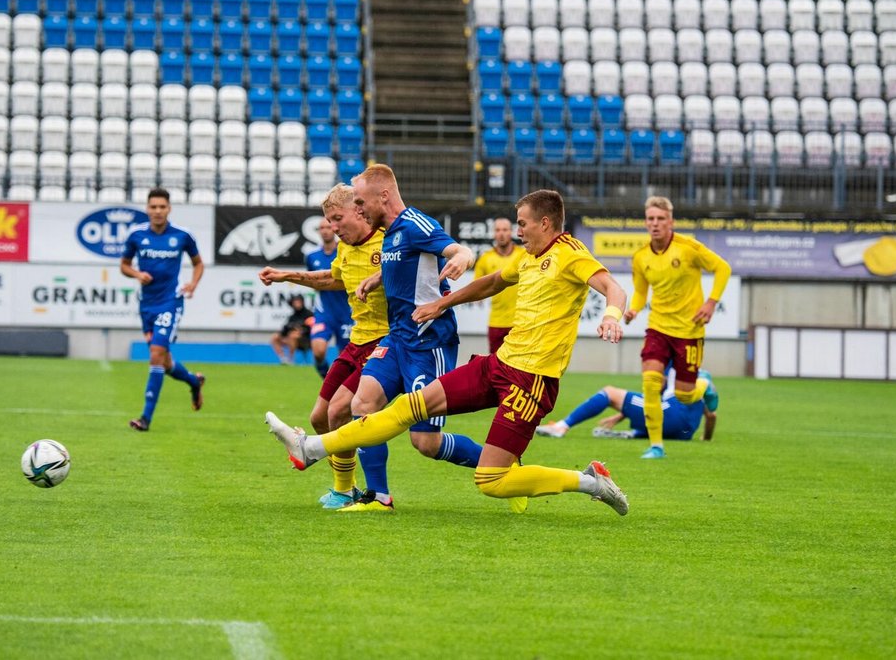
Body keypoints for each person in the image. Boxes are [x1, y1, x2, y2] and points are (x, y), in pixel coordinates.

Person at [266, 189, 631, 516]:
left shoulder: (570, 254)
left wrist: (612, 316)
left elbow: (612, 287)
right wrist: (444, 302)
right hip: (497, 365)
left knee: (492, 481)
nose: (518, 232)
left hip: (532, 381)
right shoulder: (530, 257)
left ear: (546, 222)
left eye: (522, 224)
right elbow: (491, 282)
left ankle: (591, 482)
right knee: (408, 407)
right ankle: (311, 447)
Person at [303, 163, 483, 512]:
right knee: (361, 405)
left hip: (429, 342)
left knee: (425, 442)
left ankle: (500, 464)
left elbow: (455, 249)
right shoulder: (388, 233)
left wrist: (463, 258)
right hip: (396, 338)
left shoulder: (415, 224)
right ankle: (378, 496)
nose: (357, 209)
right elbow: (404, 267)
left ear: (382, 196)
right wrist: (377, 279)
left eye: (360, 202)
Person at [259, 183, 388, 510]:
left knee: (338, 411)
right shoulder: (345, 247)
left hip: (384, 340)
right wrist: (287, 276)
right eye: (328, 221)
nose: (332, 227)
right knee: (320, 416)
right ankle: (346, 488)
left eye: (336, 218)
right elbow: (334, 279)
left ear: (358, 211)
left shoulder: (386, 238)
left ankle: (354, 490)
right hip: (358, 340)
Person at [625, 196, 732, 459]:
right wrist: (634, 309)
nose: (655, 224)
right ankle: (656, 446)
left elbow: (722, 268)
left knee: (685, 396)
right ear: (645, 222)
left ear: (671, 221)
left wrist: (711, 302)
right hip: (658, 328)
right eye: (651, 219)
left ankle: (704, 386)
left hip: (689, 330)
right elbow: (640, 292)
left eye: (661, 219)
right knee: (650, 382)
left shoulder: (688, 247)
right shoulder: (640, 257)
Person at [120, 187, 205, 432]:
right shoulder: (136, 235)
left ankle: (145, 418)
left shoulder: (182, 236)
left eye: (162, 207)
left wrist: (193, 284)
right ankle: (194, 381)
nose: (157, 211)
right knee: (165, 362)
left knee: (156, 354)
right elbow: (124, 265)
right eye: (153, 207)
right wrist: (137, 273)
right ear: (147, 209)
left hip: (171, 301)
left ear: (169, 209)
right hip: (146, 305)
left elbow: (198, 264)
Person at [535, 369, 719, 441]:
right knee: (657, 418)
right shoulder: (702, 376)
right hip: (684, 433)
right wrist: (706, 439)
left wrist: (623, 410)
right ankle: (634, 433)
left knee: (609, 392)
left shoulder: (671, 361)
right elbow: (712, 415)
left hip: (669, 414)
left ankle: (562, 426)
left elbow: (654, 393)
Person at [305, 217, 354, 377]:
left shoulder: (345, 252)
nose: (325, 231)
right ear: (319, 232)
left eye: (328, 227)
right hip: (324, 312)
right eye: (322, 228)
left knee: (345, 357)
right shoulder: (312, 256)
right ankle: (326, 379)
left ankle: (339, 388)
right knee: (318, 351)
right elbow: (312, 281)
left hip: (346, 311)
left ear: (334, 229)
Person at [472, 216, 527, 354]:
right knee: (495, 366)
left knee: (520, 368)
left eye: (505, 230)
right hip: (496, 322)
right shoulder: (485, 258)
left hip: (521, 322)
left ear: (511, 232)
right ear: (493, 233)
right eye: (498, 230)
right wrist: (478, 297)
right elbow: (476, 287)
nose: (501, 233)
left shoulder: (524, 255)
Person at [270, 294, 313, 365]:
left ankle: (291, 359)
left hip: (307, 341)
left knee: (292, 335)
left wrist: (301, 330)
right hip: (291, 340)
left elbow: (312, 329)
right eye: (295, 302)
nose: (297, 304)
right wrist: (290, 327)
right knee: (275, 337)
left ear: (302, 302)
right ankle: (284, 359)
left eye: (298, 302)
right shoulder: (292, 317)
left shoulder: (309, 314)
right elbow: (284, 332)